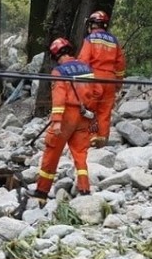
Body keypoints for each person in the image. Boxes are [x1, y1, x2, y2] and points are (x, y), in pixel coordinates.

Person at [32, 37, 103, 200]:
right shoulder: (87, 68)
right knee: (80, 153)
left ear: (55, 55)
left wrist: (56, 121)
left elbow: (59, 97)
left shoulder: (59, 71)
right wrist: (89, 109)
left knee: (52, 152)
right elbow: (98, 92)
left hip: (66, 117)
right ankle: (85, 189)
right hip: (84, 116)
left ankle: (41, 192)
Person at [78, 10, 126, 148]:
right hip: (110, 80)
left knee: (91, 109)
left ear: (92, 24)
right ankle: (102, 139)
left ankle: (92, 137)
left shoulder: (90, 39)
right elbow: (120, 63)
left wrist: (80, 83)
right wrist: (119, 82)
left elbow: (83, 61)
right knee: (105, 111)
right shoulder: (114, 41)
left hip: (95, 78)